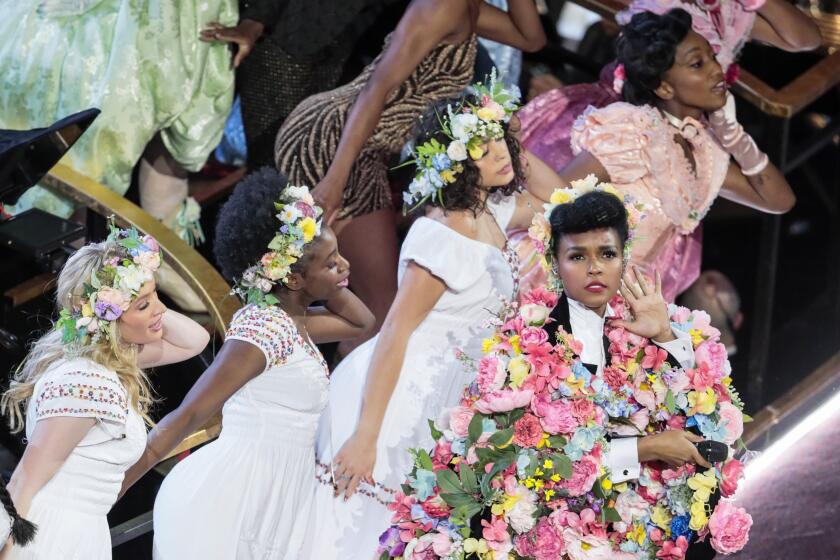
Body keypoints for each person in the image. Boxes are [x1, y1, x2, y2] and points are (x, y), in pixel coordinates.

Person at [299, 79, 559, 558]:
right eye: (482, 146)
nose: (500, 153)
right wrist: (365, 436)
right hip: (400, 398)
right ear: (457, 159)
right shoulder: (438, 235)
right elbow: (395, 332)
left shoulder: (496, 211)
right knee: (363, 536)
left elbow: (565, 202)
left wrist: (510, 138)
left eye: (500, 138)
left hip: (449, 399)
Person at [119, 172, 374, 558]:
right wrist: (111, 489)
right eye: (331, 262)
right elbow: (189, 415)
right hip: (233, 497)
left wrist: (326, 272)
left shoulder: (294, 322)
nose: (345, 264)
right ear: (293, 277)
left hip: (280, 492)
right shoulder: (263, 331)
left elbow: (362, 323)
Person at [274, 0, 546, 353]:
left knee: (369, 306)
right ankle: (306, 388)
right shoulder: (440, 5)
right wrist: (335, 183)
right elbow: (377, 90)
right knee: (375, 305)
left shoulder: (469, 7)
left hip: (364, 153)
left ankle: (316, 388)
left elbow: (532, 38)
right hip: (332, 143)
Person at [0, 226, 210, 559]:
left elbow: (195, 340)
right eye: (142, 306)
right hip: (54, 537)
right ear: (108, 317)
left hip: (82, 533)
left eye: (157, 296)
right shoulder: (87, 383)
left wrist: (141, 292)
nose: (158, 310)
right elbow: (25, 478)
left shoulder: (112, 360)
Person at [534, 187, 719, 558]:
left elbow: (703, 420)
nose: (594, 268)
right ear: (555, 264)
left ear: (623, 258)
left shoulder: (641, 321)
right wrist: (646, 448)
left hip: (648, 516)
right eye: (577, 256)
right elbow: (546, 463)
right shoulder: (533, 344)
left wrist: (665, 336)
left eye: (607, 254)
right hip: (573, 527)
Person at [518, 0, 822, 174]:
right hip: (622, 121)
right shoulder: (662, 4)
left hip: (681, 133)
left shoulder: (727, 9)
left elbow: (804, 39)